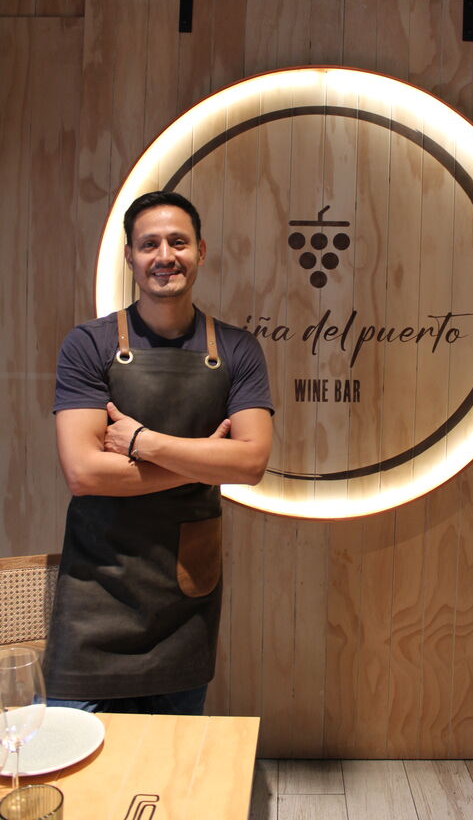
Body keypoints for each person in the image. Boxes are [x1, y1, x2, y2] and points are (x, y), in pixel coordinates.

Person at [43, 191, 273, 715]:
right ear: (129, 255)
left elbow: (251, 463)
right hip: (96, 588)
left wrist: (143, 443)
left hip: (185, 600)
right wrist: (202, 461)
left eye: (178, 242)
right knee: (75, 755)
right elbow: (84, 472)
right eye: (149, 244)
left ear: (201, 251)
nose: (164, 256)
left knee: (172, 759)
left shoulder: (238, 349)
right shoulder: (88, 345)